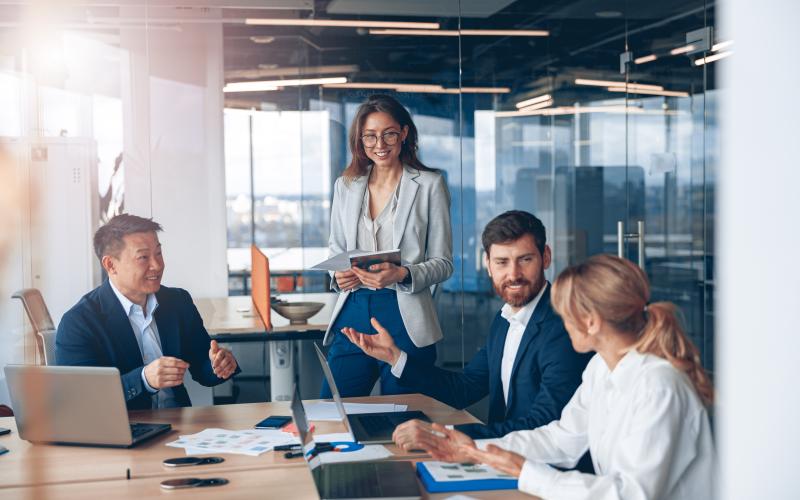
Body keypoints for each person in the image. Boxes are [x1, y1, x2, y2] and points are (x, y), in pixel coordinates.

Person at [404, 254, 715, 500]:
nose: (561, 322)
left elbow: (629, 494)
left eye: (566, 314)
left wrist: (526, 471)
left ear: (591, 322)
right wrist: (474, 449)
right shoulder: (602, 368)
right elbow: (562, 438)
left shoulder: (658, 386)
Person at [342, 210, 592, 441]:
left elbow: (544, 424)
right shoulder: (505, 320)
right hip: (504, 455)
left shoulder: (563, 328)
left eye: (525, 259)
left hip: (536, 466)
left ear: (545, 257)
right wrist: (394, 357)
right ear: (488, 264)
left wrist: (444, 436)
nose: (513, 274)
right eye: (502, 262)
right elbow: (465, 388)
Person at [322, 94, 453, 397]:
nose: (379, 144)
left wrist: (402, 274)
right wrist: (338, 274)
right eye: (370, 136)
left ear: (404, 133)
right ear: (360, 139)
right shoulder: (346, 185)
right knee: (334, 411)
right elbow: (336, 248)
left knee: (405, 417)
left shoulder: (430, 185)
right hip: (353, 310)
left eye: (388, 134)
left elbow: (443, 263)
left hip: (405, 316)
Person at [56, 214, 239, 410]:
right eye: (143, 257)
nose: (157, 265)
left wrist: (219, 365)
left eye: (158, 253)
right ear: (110, 265)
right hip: (122, 430)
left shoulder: (178, 302)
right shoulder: (79, 321)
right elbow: (82, 397)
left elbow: (202, 366)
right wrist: (144, 379)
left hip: (179, 425)